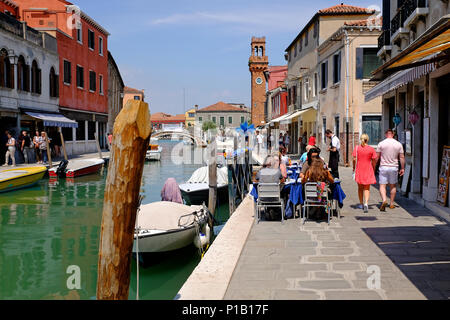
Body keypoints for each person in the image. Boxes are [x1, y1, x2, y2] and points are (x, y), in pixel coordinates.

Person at [377, 129, 405, 212]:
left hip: (383, 167)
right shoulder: (398, 144)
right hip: (394, 167)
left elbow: (377, 157)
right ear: (393, 134)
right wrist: (402, 168)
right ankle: (392, 203)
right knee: (393, 186)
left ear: (386, 134)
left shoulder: (381, 143)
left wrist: (373, 165)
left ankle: (384, 200)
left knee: (382, 185)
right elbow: (402, 157)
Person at [353, 134, 378, 213]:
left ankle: (361, 204)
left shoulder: (357, 148)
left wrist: (354, 167)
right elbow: (374, 160)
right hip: (368, 169)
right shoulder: (371, 149)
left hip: (359, 168)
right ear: (368, 140)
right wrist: (373, 168)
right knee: (367, 188)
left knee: (360, 188)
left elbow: (354, 159)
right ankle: (366, 203)